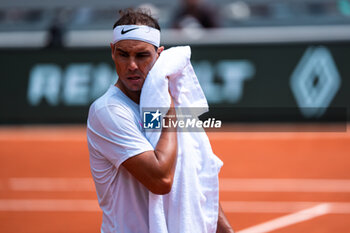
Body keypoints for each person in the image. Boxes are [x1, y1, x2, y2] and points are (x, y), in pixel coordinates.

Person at [87, 8, 233, 233]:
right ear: (112, 52)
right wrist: (171, 112)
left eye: (142, 55)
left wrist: (223, 228)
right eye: (123, 54)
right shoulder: (108, 111)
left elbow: (192, 171)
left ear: (158, 55)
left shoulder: (162, 102)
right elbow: (161, 179)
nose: (132, 65)